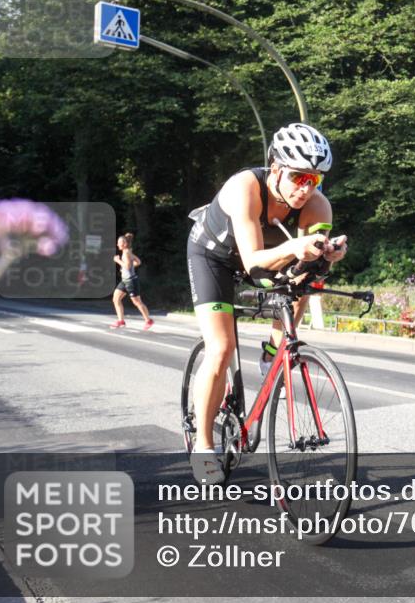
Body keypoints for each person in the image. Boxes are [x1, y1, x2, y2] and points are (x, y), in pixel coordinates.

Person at [186, 122, 347, 484]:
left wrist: (326, 257)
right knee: (221, 348)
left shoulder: (318, 207)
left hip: (266, 254)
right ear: (275, 169)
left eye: (315, 180)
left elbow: (309, 266)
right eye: (298, 177)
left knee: (303, 285)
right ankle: (204, 444)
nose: (306, 189)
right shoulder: (245, 188)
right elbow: (255, 263)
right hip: (215, 257)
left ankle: (272, 354)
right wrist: (293, 247)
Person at [110, 233, 154, 330]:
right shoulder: (128, 251)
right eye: (117, 243)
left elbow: (127, 266)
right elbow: (138, 262)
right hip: (125, 281)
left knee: (137, 302)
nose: (117, 245)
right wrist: (127, 269)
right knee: (116, 299)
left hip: (131, 281)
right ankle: (121, 321)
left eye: (119, 243)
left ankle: (148, 320)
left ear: (124, 244)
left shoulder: (126, 253)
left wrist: (118, 261)